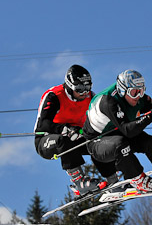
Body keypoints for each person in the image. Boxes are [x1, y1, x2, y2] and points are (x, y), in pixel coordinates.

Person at [83, 69, 152, 192]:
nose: (138, 96)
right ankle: (137, 179)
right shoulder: (108, 101)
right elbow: (128, 131)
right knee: (120, 145)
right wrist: (150, 116)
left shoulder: (141, 99)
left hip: (119, 133)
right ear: (122, 90)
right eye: (133, 92)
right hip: (97, 142)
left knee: (149, 142)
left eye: (141, 91)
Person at [34, 65, 118, 195]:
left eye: (87, 87)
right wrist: (63, 129)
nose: (84, 93)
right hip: (47, 140)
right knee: (64, 140)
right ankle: (79, 182)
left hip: (76, 136)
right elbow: (43, 124)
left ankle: (113, 180)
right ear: (69, 86)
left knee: (96, 142)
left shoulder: (90, 97)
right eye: (79, 89)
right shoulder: (54, 96)